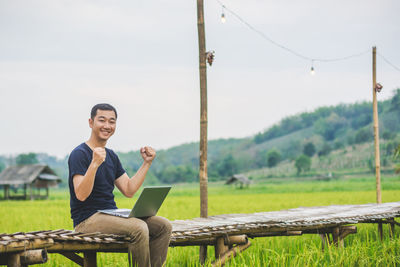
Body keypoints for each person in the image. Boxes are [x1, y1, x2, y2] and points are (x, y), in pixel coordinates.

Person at [68, 103, 172, 267]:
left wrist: (146, 163)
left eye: (112, 121)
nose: (107, 126)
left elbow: (129, 189)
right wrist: (94, 164)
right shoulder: (79, 153)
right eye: (102, 120)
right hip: (87, 220)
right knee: (138, 227)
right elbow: (81, 194)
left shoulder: (111, 156)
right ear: (91, 122)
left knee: (163, 226)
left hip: (110, 214)